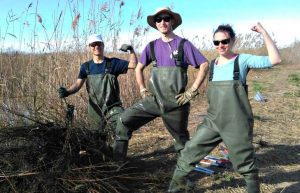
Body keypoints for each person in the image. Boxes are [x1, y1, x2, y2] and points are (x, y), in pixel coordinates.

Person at [168, 22, 281, 193]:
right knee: (188, 153)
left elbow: (275, 60)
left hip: (236, 123)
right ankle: (175, 189)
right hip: (212, 122)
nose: (220, 45)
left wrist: (264, 32)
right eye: (216, 42)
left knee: (245, 165)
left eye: (225, 41)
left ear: (233, 40)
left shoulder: (242, 60)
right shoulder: (212, 65)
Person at [112, 7, 209, 161]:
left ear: (172, 21)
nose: (162, 22)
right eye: (158, 19)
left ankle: (184, 178)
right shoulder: (152, 46)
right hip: (153, 101)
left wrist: (192, 91)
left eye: (166, 18)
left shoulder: (183, 45)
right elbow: (138, 68)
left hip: (176, 103)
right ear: (155, 24)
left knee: (182, 142)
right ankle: (117, 164)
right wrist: (143, 89)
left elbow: (204, 64)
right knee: (123, 121)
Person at [58, 34, 137, 152]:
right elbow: (77, 85)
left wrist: (131, 50)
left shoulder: (113, 63)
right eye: (93, 45)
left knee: (123, 125)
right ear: (89, 47)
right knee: (95, 137)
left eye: (99, 44)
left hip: (113, 107)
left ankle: (118, 159)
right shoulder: (86, 67)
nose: (96, 47)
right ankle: (103, 158)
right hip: (94, 109)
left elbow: (134, 65)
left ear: (103, 45)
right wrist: (67, 91)